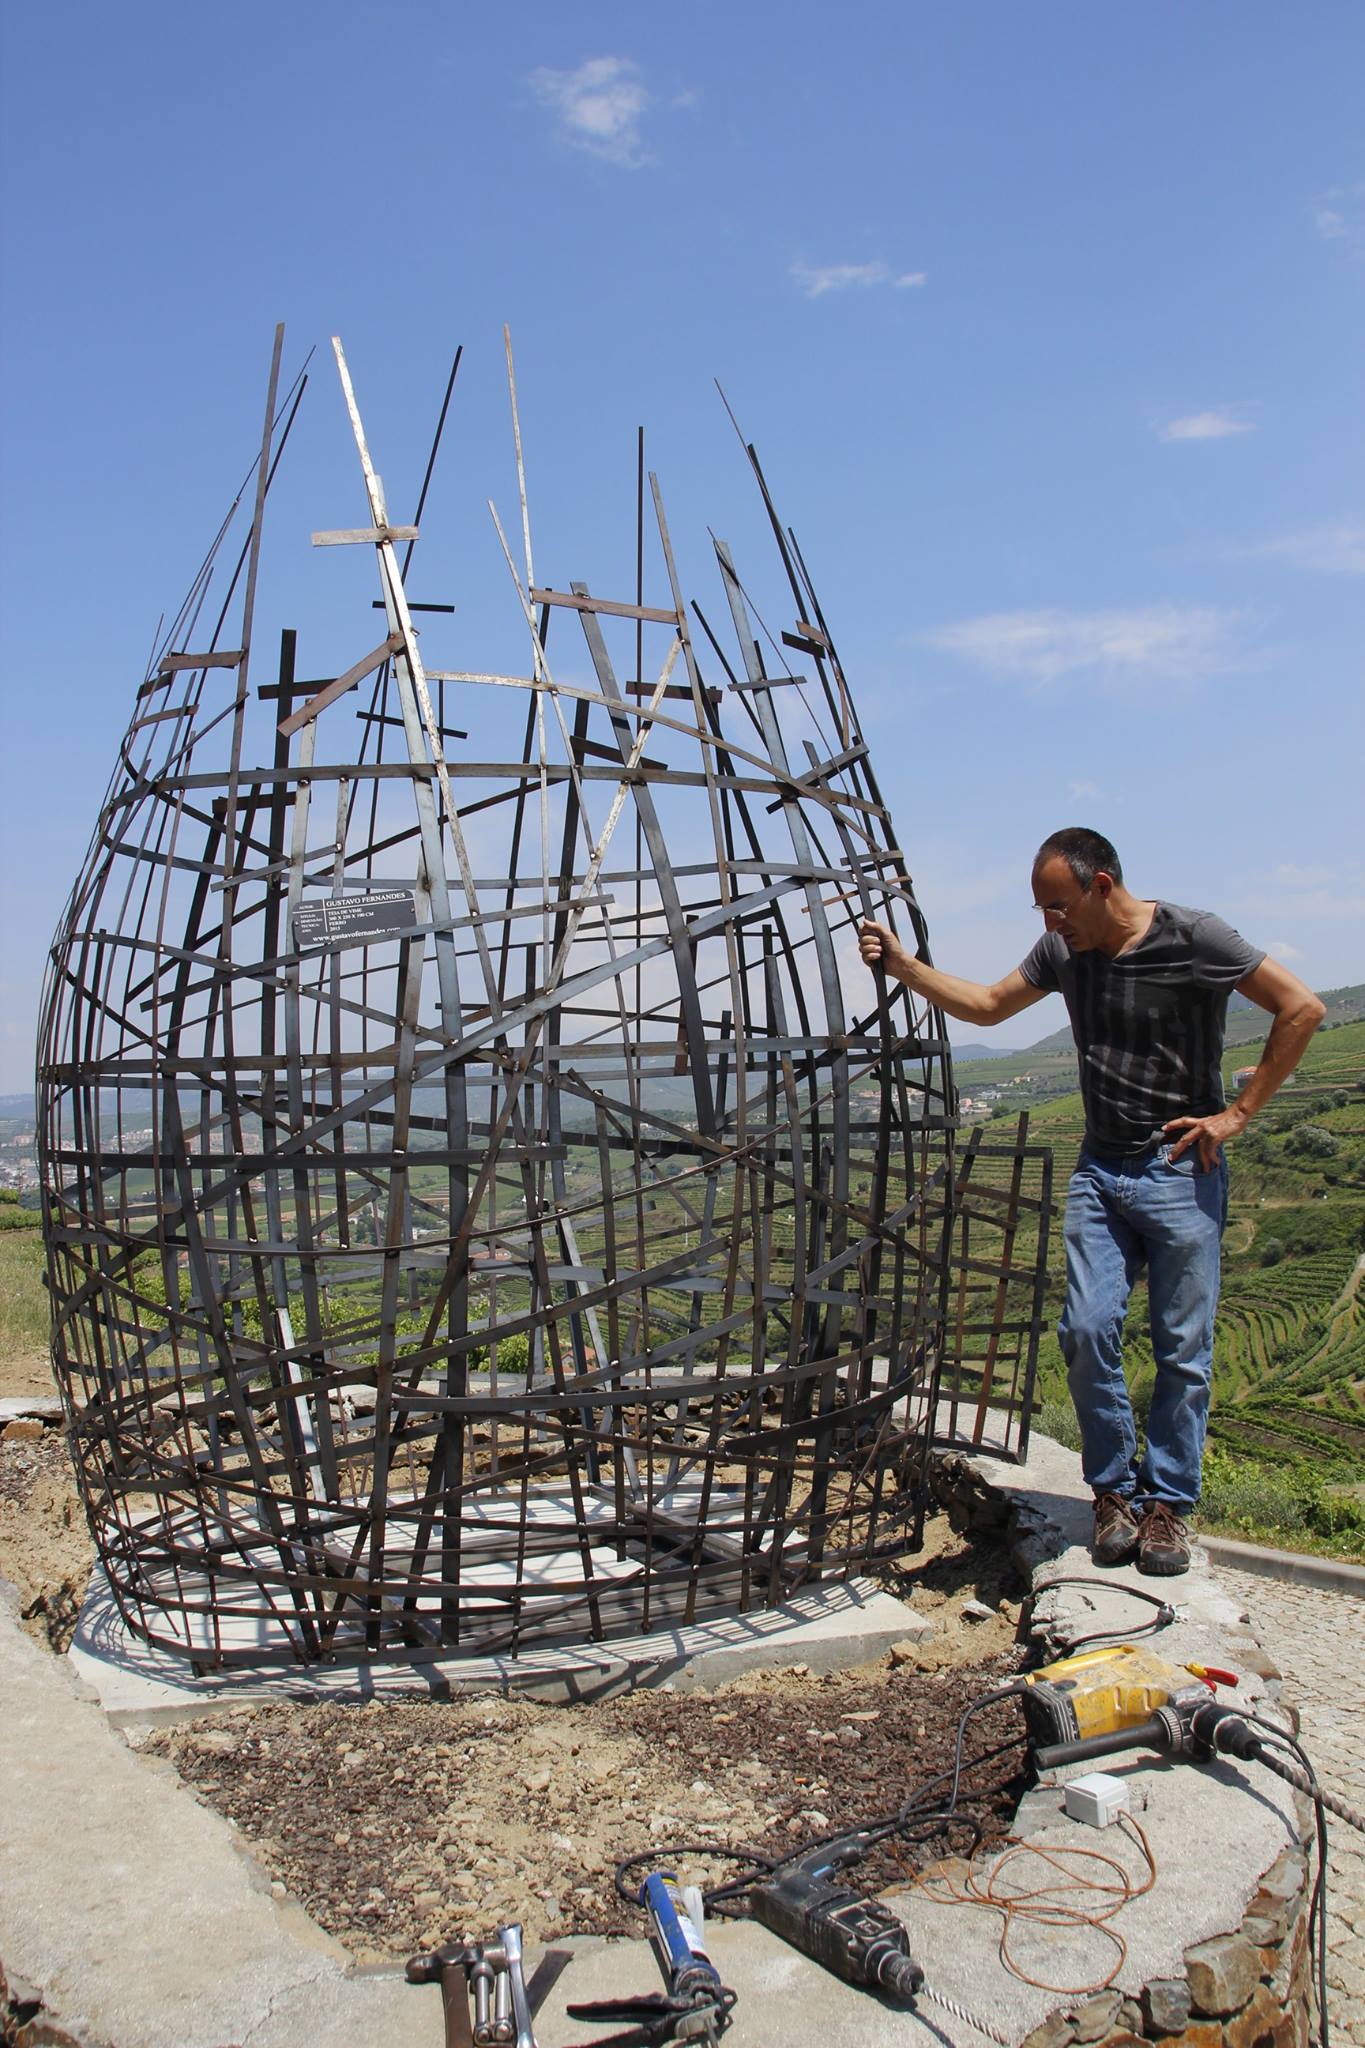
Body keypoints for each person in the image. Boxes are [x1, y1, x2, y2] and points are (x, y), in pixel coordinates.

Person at [858, 828, 1324, 1575]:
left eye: (1059, 906)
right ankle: (1113, 1493)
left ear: (1101, 885)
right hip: (1100, 1169)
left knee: (1182, 1348)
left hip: (1180, 1169)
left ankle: (1167, 1508)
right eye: (1042, 909)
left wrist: (1236, 1115)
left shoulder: (1194, 936)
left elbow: (1300, 1007)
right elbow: (986, 1006)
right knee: (1083, 1329)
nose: (1051, 922)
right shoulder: (1061, 952)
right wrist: (903, 966)